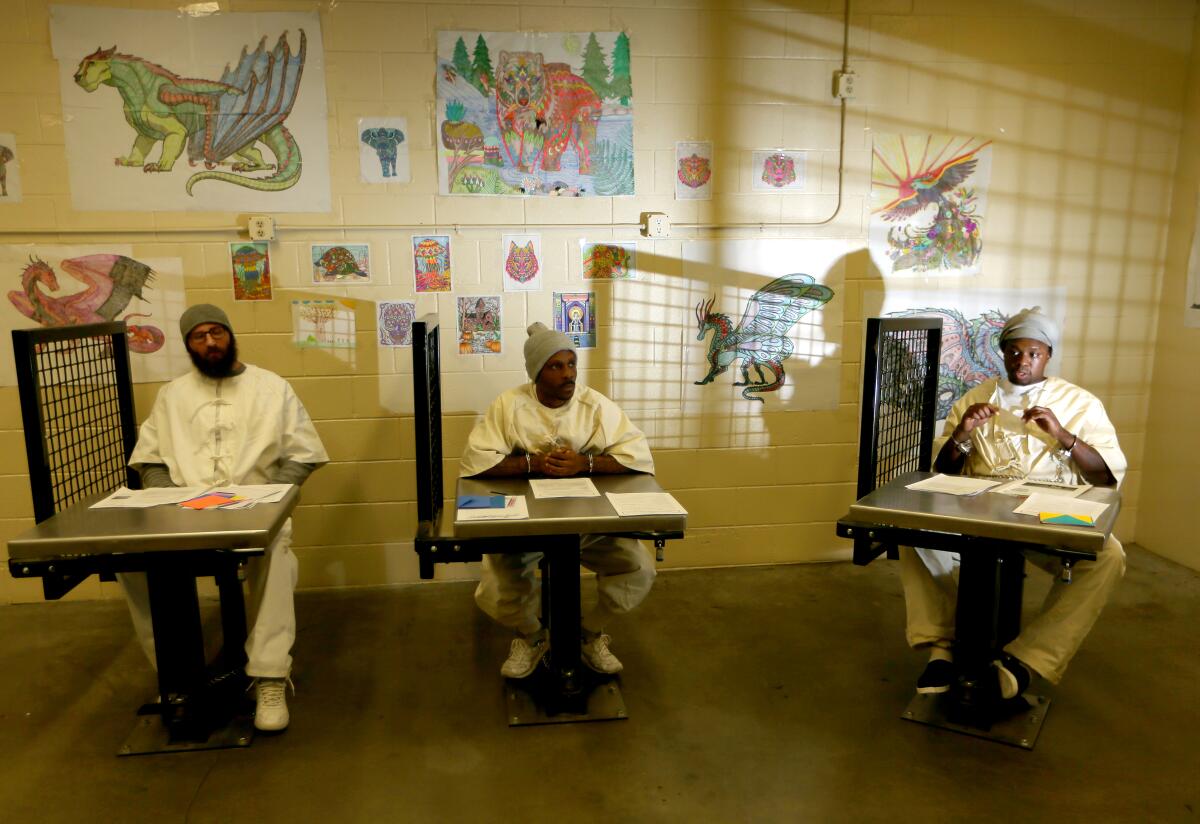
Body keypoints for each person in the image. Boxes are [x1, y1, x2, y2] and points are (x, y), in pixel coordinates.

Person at [901, 307, 1127, 700]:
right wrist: (962, 434)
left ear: (1048, 355)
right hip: (979, 510)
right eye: (1015, 352)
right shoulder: (975, 398)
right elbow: (942, 472)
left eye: (1033, 353)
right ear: (1002, 353)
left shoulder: (1079, 403)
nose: (1023, 361)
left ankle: (1024, 663)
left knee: (1109, 556)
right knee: (912, 529)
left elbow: (1106, 477)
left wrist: (1064, 436)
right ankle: (943, 646)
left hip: (1048, 511)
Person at [120, 304, 328, 731]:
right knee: (132, 564)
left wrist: (274, 498)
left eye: (216, 332)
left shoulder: (271, 387)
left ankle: (269, 675)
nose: (210, 342)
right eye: (198, 336)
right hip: (182, 511)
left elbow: (304, 455)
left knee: (277, 558)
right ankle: (175, 674)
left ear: (230, 335)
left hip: (257, 509)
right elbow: (150, 459)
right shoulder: (172, 395)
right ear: (188, 345)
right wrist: (169, 500)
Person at [460, 322, 656, 679]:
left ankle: (587, 634)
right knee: (502, 580)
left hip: (588, 524)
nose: (568, 375)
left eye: (571, 364)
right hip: (525, 525)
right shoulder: (509, 405)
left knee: (637, 568)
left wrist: (587, 462)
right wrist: (532, 463)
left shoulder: (593, 404)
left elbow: (637, 457)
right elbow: (476, 462)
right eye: (556, 366)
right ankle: (532, 635)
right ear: (536, 372)